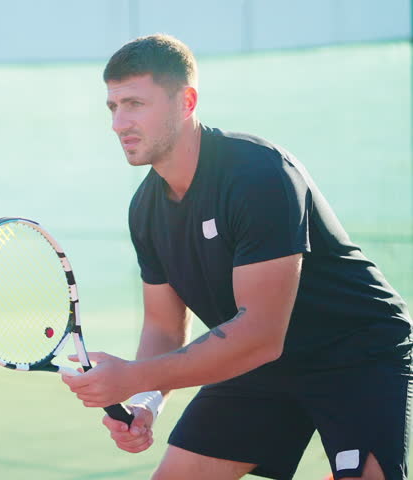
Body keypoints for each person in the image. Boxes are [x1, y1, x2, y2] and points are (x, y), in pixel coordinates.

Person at [61, 34, 412, 480]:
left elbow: (262, 334)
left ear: (186, 101)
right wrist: (145, 398)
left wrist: (133, 376)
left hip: (354, 353)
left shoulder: (259, 174)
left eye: (134, 103)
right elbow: (164, 326)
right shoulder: (145, 209)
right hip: (257, 366)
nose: (119, 123)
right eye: (113, 107)